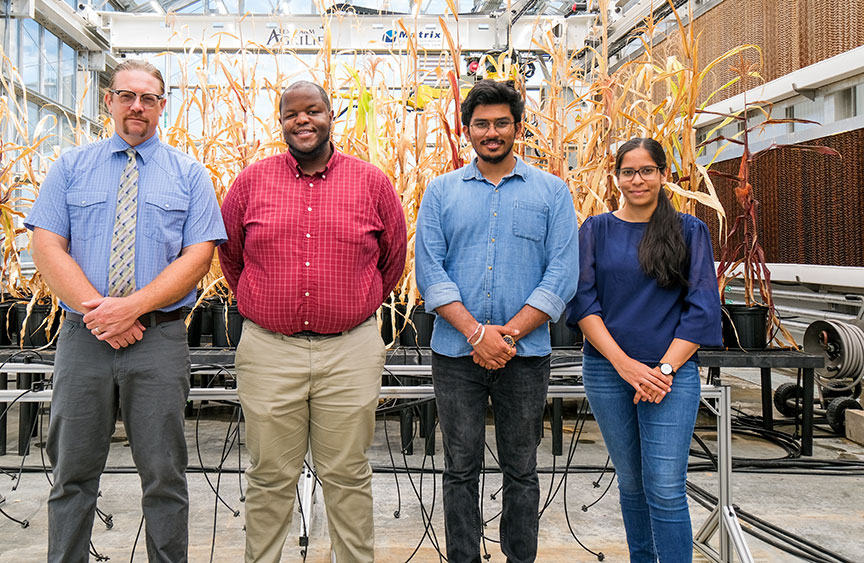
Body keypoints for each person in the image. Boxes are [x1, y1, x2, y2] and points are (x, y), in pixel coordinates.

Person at [26, 59, 227, 563]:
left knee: (164, 474)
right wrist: (100, 314)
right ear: (108, 100)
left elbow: (199, 256)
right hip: (83, 339)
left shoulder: (189, 174)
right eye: (126, 95)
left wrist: (131, 308)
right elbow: (48, 246)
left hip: (158, 341)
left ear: (163, 106)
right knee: (72, 471)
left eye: (149, 98)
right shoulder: (71, 167)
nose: (137, 106)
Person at [218, 80, 407, 562]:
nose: (302, 121)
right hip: (269, 349)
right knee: (268, 475)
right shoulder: (251, 182)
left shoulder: (371, 182)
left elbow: (393, 261)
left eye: (313, 111)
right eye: (291, 114)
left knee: (347, 472)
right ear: (280, 122)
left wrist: (352, 305)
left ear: (330, 117)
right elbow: (232, 259)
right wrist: (264, 303)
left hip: (349, 349)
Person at [414, 79, 579, 563]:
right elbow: (430, 270)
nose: (492, 132)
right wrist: (475, 333)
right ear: (467, 130)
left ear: (518, 127)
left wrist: (506, 335)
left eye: (501, 122)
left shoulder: (552, 192)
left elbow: (561, 274)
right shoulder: (441, 192)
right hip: (456, 355)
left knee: (522, 469)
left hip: (524, 356)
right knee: (460, 467)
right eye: (482, 123)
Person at [566, 137, 721, 562]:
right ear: (616, 177)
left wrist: (664, 371)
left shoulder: (689, 230)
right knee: (631, 484)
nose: (638, 180)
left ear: (663, 175)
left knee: (666, 488)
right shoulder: (595, 230)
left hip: (669, 378)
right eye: (629, 171)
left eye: (647, 170)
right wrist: (624, 365)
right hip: (607, 371)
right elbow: (583, 302)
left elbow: (703, 308)